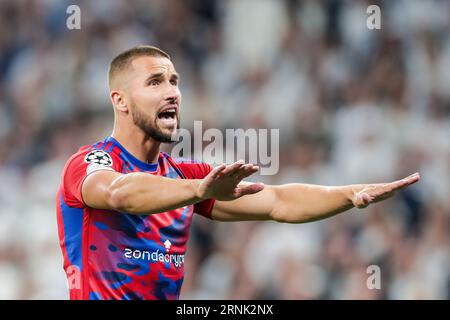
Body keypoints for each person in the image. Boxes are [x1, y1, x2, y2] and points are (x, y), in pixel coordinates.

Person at [56, 45, 420, 300]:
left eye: (174, 81)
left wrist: (350, 194)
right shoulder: (90, 162)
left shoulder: (186, 177)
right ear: (119, 100)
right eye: (155, 82)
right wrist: (200, 190)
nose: (172, 93)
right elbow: (120, 194)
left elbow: (278, 202)